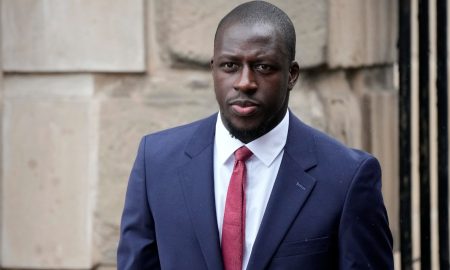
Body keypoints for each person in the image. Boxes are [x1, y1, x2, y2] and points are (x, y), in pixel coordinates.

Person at [117, 1, 394, 269]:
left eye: (263, 67)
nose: (244, 82)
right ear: (213, 69)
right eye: (230, 66)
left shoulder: (346, 178)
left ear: (291, 75)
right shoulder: (156, 162)